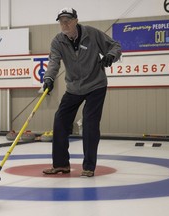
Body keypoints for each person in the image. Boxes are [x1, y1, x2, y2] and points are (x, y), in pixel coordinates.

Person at [42, 7, 121, 177]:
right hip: (74, 87)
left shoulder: (92, 34)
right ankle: (61, 165)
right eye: (61, 21)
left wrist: (110, 56)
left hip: (96, 85)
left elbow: (115, 46)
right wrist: (48, 78)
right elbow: (53, 62)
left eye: (68, 20)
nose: (64, 24)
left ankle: (89, 167)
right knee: (60, 119)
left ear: (76, 20)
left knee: (90, 123)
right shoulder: (58, 41)